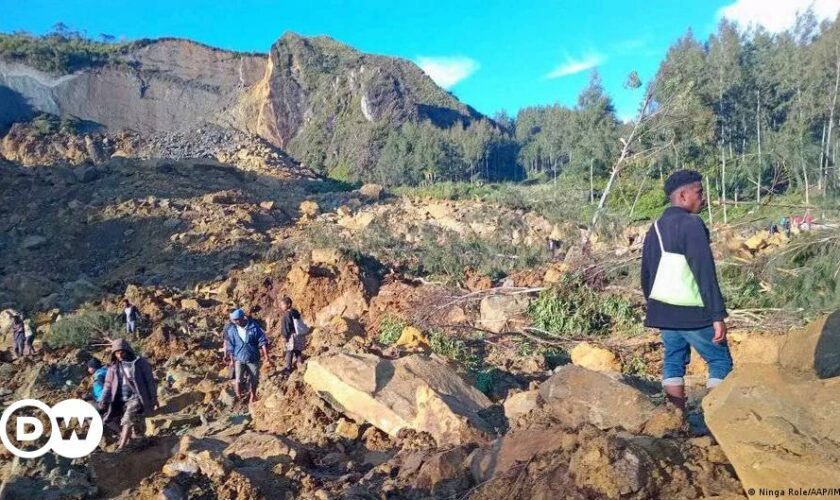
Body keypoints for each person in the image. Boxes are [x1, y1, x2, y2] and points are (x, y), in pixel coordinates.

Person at [641, 170, 733, 411]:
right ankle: (714, 421)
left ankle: (676, 419)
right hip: (694, 312)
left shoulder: (656, 227)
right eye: (699, 192)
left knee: (673, 361)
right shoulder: (692, 224)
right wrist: (717, 315)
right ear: (683, 195)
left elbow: (646, 273)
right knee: (720, 360)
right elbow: (704, 271)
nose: (703, 198)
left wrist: (656, 307)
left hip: (664, 310)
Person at [100, 338, 158, 449]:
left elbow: (150, 381)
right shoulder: (113, 368)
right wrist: (103, 399)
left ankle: (122, 445)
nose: (120, 355)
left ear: (127, 351)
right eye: (117, 352)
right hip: (120, 399)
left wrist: (154, 398)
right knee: (110, 420)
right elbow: (107, 385)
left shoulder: (139, 363)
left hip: (136, 397)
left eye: (122, 352)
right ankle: (130, 439)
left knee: (127, 419)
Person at [223, 309, 269, 404]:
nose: (236, 322)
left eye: (237, 320)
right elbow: (230, 346)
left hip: (253, 358)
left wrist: (266, 356)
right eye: (234, 320)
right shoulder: (232, 330)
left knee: (254, 379)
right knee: (238, 379)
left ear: (242, 318)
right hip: (239, 358)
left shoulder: (254, 327)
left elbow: (262, 341)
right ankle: (239, 396)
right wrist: (231, 360)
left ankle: (253, 395)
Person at [279, 297, 307, 375]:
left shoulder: (287, 314)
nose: (281, 306)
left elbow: (286, 327)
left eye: (282, 304)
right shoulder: (295, 311)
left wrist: (284, 337)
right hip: (299, 334)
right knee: (298, 351)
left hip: (291, 335)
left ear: (288, 304)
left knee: (289, 351)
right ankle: (300, 365)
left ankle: (288, 368)